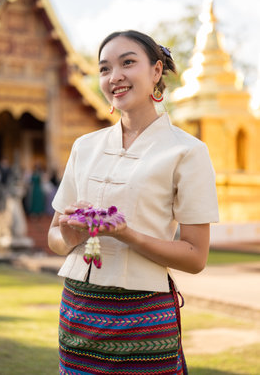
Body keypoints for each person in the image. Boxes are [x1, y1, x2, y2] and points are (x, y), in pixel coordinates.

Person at [48, 30, 219, 374]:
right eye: (104, 69)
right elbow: (54, 239)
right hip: (77, 315)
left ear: (156, 71)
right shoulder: (84, 146)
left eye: (128, 63)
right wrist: (72, 234)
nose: (115, 77)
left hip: (142, 320)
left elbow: (195, 257)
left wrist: (129, 236)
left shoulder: (188, 151)